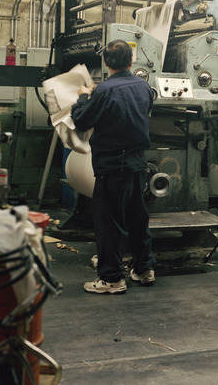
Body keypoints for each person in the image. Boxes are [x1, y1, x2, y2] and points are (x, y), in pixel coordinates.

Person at [71, 39, 156, 294]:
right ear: (132, 60)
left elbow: (81, 121)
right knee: (137, 219)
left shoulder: (104, 91)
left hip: (112, 166)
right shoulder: (144, 87)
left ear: (107, 63)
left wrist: (83, 96)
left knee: (110, 224)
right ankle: (144, 269)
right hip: (137, 164)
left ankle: (111, 279)